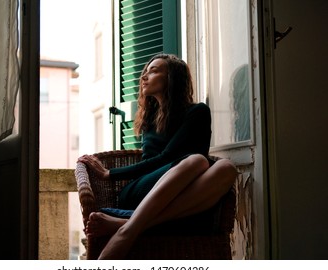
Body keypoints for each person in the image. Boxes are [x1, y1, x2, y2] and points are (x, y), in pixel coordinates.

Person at [78, 53, 237, 259]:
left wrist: (110, 173)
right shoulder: (150, 119)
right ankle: (126, 233)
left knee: (227, 168)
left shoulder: (197, 112)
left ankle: (127, 225)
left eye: (153, 71)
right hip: (142, 189)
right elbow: (160, 161)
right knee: (197, 160)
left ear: (172, 78)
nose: (144, 76)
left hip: (183, 191)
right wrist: (113, 175)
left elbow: (168, 157)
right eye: (146, 71)